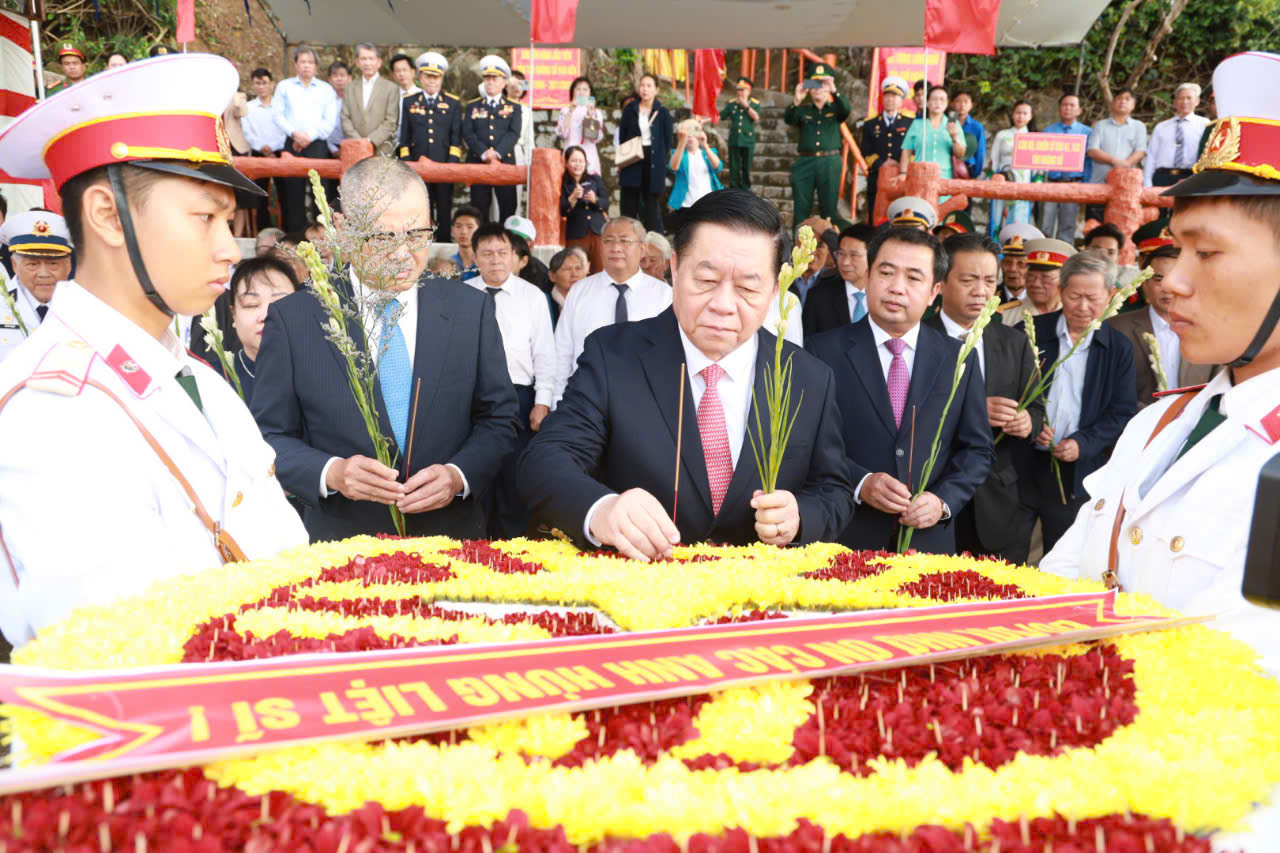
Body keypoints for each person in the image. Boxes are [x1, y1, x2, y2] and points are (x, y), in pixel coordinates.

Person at [0, 53, 309, 648]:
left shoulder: (199, 380)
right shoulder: (52, 408)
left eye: (229, 222)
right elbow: (123, 655)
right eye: (204, 219)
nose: (229, 250)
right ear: (108, 216)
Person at [1041, 51, 1280, 677]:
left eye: (1206, 252)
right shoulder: (1157, 425)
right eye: (1176, 251)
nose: (1170, 280)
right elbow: (1062, 583)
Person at [519, 189, 855, 558]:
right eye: (707, 281)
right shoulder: (614, 356)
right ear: (675, 268)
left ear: (775, 289)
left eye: (747, 287)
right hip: (639, 594)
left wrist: (800, 516)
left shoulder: (807, 377)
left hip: (759, 602)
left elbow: (834, 490)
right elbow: (546, 459)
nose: (723, 305)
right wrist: (602, 509)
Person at [251, 156, 520, 541]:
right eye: (381, 238)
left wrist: (458, 475)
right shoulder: (296, 319)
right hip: (343, 544)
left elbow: (499, 418)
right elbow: (267, 436)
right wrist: (331, 472)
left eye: (416, 235)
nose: (401, 254)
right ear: (342, 229)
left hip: (451, 540)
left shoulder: (468, 309)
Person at [808, 226, 993, 553]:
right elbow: (806, 445)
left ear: (934, 291)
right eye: (887, 272)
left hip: (926, 545)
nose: (896, 287)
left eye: (913, 278)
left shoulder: (958, 358)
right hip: (844, 539)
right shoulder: (821, 353)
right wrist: (860, 483)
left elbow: (976, 450)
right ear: (867, 276)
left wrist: (942, 502)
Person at [927, 234, 1045, 564]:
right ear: (941, 283)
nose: (981, 290)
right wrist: (976, 409)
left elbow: (1036, 408)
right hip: (932, 494)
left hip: (1000, 501)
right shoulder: (919, 339)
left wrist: (1027, 422)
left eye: (989, 280)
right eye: (968, 280)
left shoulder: (1013, 342)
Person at [1028, 250, 1137, 552]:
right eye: (1075, 296)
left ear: (1111, 295)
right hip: (1024, 462)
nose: (1083, 307)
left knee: (1060, 555)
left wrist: (1083, 443)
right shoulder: (1031, 334)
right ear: (1061, 291)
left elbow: (1122, 413)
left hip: (1077, 471)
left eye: (1093, 298)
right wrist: (1030, 424)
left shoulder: (1117, 348)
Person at [467, 223, 555, 537]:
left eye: (502, 253)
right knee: (475, 470)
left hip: (518, 395)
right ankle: (474, 542)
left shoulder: (533, 297)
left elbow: (545, 353)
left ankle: (513, 545)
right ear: (474, 257)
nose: (495, 260)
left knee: (513, 474)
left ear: (514, 256)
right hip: (470, 397)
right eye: (487, 253)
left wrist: (543, 401)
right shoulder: (462, 295)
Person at [552, 217, 672, 405]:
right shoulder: (580, 291)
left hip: (644, 399)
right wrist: (556, 402)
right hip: (586, 397)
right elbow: (562, 352)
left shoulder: (664, 296)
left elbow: (670, 356)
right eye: (608, 241)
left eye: (624, 241)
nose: (616, 248)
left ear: (642, 249)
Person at [1107, 218, 1215, 408]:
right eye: (1158, 279)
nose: (1167, 288)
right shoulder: (1117, 328)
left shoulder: (1211, 330)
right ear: (1144, 282)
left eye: (1175, 278)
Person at [271, 46, 339, 233]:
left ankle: (323, 234)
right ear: (295, 64)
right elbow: (277, 114)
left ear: (316, 66)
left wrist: (308, 136)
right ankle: (295, 234)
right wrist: (295, 134)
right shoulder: (284, 86)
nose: (306, 66)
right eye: (302, 62)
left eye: (310, 62)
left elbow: (329, 120)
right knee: (293, 192)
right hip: (291, 143)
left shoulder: (326, 89)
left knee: (320, 191)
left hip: (317, 143)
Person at [399, 52, 463, 231]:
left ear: (442, 78)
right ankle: (420, 241)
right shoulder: (409, 102)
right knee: (419, 206)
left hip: (443, 164)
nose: (432, 81)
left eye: (436, 77)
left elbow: (455, 138)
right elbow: (404, 136)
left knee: (444, 206)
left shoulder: (452, 103)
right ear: (420, 77)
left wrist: (451, 166)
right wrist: (408, 163)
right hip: (417, 165)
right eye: (428, 76)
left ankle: (442, 238)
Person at [0, 211, 73, 362]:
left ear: (68, 265)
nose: (43, 274)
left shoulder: (88, 307)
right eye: (32, 264)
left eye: (53, 264)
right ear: (14, 265)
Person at [227, 255, 299, 406]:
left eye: (280, 302)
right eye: (251, 304)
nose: (266, 315)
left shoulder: (328, 374)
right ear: (234, 315)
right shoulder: (213, 378)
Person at [785, 64, 851, 227]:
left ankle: (828, 249)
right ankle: (797, 247)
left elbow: (846, 110)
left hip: (830, 162)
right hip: (805, 162)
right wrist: (796, 100)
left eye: (822, 84)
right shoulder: (803, 110)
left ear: (828, 88)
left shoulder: (836, 109)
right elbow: (789, 119)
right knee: (801, 209)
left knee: (829, 210)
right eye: (814, 85)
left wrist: (834, 90)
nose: (818, 89)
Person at [463, 55, 522, 224]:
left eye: (494, 79)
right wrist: (484, 153)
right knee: (479, 207)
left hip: (504, 161)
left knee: (508, 207)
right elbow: (468, 133)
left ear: (504, 82)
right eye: (487, 78)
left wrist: (497, 153)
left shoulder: (513, 107)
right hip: (478, 161)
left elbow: (513, 133)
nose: (490, 82)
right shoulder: (473, 106)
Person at [618, 74, 675, 233]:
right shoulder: (630, 109)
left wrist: (661, 160)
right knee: (629, 201)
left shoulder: (663, 112)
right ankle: (627, 236)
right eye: (642, 85)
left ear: (656, 90)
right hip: (633, 156)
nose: (645, 89)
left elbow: (667, 140)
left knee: (651, 204)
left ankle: (652, 242)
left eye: (649, 86)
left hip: (654, 159)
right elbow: (623, 135)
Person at [802, 222, 875, 339]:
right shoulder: (818, 297)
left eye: (854, 255)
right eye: (841, 254)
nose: (845, 262)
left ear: (873, 256)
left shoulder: (886, 295)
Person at [1085, 88, 1147, 221]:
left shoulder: (1139, 126)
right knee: (1094, 223)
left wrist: (1126, 164)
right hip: (1099, 183)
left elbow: (1141, 151)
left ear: (1133, 105)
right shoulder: (1100, 125)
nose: (1122, 102)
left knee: (1123, 224)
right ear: (1113, 102)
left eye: (1127, 99)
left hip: (1126, 187)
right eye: (1119, 98)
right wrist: (1115, 161)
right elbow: (1092, 150)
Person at [1040, 93, 1092, 244]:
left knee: (1068, 226)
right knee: (1045, 223)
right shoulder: (1048, 131)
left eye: (1072, 105)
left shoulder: (1087, 133)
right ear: (1059, 109)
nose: (1068, 108)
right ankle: (1043, 254)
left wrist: (1086, 185)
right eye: (1064, 105)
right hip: (1050, 183)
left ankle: (1064, 258)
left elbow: (1089, 162)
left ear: (1079, 110)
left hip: (1073, 184)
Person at [861, 76, 913, 218]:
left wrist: (900, 165)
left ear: (902, 101)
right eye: (887, 96)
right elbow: (865, 151)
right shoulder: (870, 124)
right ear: (882, 99)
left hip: (900, 177)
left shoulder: (910, 123)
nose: (890, 99)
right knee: (875, 213)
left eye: (895, 96)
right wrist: (882, 163)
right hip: (877, 175)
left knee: (900, 214)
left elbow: (912, 151)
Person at [242, 68, 285, 230]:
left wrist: (273, 149)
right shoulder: (249, 107)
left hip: (280, 152)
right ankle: (263, 230)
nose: (261, 87)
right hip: (259, 152)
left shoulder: (280, 106)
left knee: (285, 194)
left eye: (265, 83)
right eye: (257, 83)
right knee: (260, 195)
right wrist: (263, 148)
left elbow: (285, 129)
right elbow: (247, 132)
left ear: (272, 84)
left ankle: (286, 229)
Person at [1144, 83, 1209, 188]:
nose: (1185, 102)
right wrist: (1147, 182)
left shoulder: (1205, 124)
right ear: (1175, 102)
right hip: (1161, 177)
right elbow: (1151, 156)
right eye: (1181, 98)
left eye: (1189, 98)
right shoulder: (1161, 127)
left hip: (1190, 177)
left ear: (1197, 101)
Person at [342, 43, 401, 157]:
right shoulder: (350, 87)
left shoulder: (391, 88)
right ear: (357, 62)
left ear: (378, 62)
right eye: (363, 59)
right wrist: (359, 142)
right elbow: (345, 118)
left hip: (382, 151)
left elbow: (391, 122)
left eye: (371, 59)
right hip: (355, 150)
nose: (367, 63)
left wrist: (370, 141)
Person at [1000, 236, 1072, 327]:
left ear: (1063, 281)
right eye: (1030, 277)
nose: (1036, 284)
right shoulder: (1005, 316)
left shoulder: (1074, 315)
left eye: (1045, 278)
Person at [987, 101, 1036, 234]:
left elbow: (1037, 168)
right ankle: (996, 248)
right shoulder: (1002, 135)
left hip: (1024, 183)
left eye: (1025, 113)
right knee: (998, 217)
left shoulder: (1034, 138)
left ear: (1030, 116)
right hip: (1003, 179)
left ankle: (1015, 248)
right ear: (1013, 114)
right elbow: (994, 160)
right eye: (1018, 112)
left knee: (1019, 218)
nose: (1021, 116)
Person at [667, 119, 724, 232]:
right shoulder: (678, 153)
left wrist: (705, 145)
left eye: (693, 134)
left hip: (707, 201)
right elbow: (673, 167)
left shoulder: (708, 152)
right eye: (687, 135)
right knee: (685, 233)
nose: (691, 137)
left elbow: (718, 166)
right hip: (686, 204)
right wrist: (681, 143)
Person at [901, 85, 966, 181]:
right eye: (934, 99)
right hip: (919, 177)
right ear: (927, 102)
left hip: (944, 179)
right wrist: (903, 173)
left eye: (942, 99)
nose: (938, 103)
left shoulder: (953, 123)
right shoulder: (917, 124)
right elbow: (906, 151)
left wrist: (955, 137)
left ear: (947, 103)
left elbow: (960, 154)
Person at [561, 145, 608, 274]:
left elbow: (606, 203)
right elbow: (562, 210)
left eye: (581, 161)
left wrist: (595, 200)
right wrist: (572, 198)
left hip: (597, 232)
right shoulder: (563, 183)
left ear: (586, 163)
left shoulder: (595, 179)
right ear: (566, 163)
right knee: (577, 272)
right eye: (574, 161)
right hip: (576, 233)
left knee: (600, 270)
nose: (578, 164)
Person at [556, 76, 607, 177]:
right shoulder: (565, 111)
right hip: (570, 154)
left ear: (590, 93)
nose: (581, 92)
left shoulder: (596, 112)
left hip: (589, 156)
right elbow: (563, 134)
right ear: (572, 92)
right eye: (578, 89)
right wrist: (571, 110)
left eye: (585, 89)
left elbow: (593, 137)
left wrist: (590, 115)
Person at [721, 77, 760, 190]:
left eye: (743, 89)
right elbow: (721, 116)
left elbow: (756, 117)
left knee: (746, 167)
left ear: (749, 91)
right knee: (734, 166)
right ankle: (734, 188)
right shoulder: (731, 103)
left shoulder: (754, 103)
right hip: (734, 139)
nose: (740, 92)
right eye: (738, 89)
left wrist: (746, 106)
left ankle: (746, 189)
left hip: (748, 140)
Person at [547, 246, 589, 326]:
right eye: (567, 269)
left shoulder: (593, 300)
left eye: (578, 268)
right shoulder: (544, 303)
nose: (574, 274)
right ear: (552, 276)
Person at [951, 91, 986, 182]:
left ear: (971, 105)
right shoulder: (947, 123)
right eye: (958, 101)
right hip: (948, 168)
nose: (962, 105)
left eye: (966, 101)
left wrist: (976, 174)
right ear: (952, 104)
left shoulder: (977, 127)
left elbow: (980, 152)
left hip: (967, 170)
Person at [450, 204, 482, 281]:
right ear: (452, 231)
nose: (463, 232)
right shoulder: (448, 264)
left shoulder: (486, 264)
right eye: (458, 226)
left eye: (470, 227)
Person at [326, 60, 351, 157]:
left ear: (349, 78)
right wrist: (333, 149)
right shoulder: (325, 100)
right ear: (330, 79)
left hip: (352, 147)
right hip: (328, 148)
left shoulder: (356, 100)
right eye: (335, 76)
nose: (339, 79)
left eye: (342, 75)